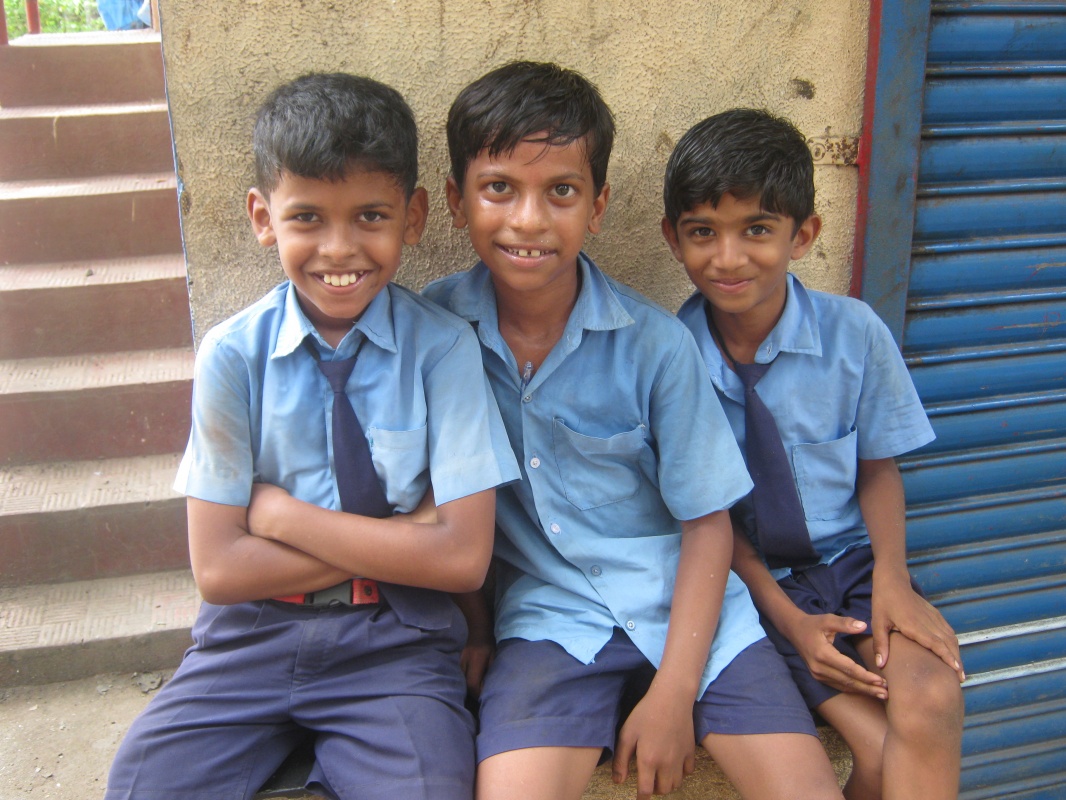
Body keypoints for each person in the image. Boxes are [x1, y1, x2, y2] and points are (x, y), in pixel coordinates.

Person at [424, 61, 846, 800]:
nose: (529, 219)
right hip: (551, 620)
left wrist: (674, 695)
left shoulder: (655, 345)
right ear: (457, 201)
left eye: (561, 191)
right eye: (499, 188)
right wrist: (477, 629)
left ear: (598, 205)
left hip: (695, 614)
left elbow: (707, 525)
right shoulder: (434, 332)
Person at [106, 72, 519, 800]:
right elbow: (221, 573)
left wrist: (279, 517)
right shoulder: (233, 357)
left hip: (395, 641)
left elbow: (460, 561)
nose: (339, 248)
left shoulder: (443, 349)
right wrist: (405, 540)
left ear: (414, 216)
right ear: (263, 218)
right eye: (306, 218)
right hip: (247, 640)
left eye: (370, 216)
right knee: (144, 783)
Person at [663, 108, 965, 800]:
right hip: (750, 587)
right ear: (673, 239)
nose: (728, 258)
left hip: (856, 565)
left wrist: (893, 579)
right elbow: (707, 520)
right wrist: (791, 622)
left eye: (757, 230)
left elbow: (877, 469)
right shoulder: (670, 360)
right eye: (703, 232)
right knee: (877, 753)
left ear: (803, 235)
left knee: (932, 697)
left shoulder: (854, 333)